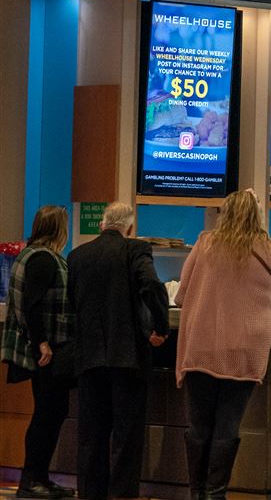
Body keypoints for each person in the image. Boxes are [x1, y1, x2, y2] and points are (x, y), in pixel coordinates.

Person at [175, 189, 271, 500]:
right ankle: (216, 494)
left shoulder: (204, 243)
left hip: (200, 348)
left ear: (224, 214)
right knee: (228, 425)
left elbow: (181, 296)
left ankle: (197, 493)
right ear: (256, 216)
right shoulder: (268, 247)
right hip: (244, 350)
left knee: (199, 425)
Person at [67, 202, 170, 500]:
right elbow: (152, 285)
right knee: (127, 435)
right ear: (130, 228)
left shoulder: (77, 256)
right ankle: (121, 494)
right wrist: (160, 327)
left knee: (91, 435)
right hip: (128, 357)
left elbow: (73, 301)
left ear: (102, 225)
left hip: (89, 356)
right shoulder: (135, 250)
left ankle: (91, 494)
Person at [1, 206, 76, 500]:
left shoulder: (31, 255)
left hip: (45, 349)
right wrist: (42, 342)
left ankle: (39, 478)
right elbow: (33, 305)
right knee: (47, 414)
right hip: (49, 352)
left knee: (50, 412)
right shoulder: (44, 259)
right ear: (58, 229)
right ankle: (31, 480)